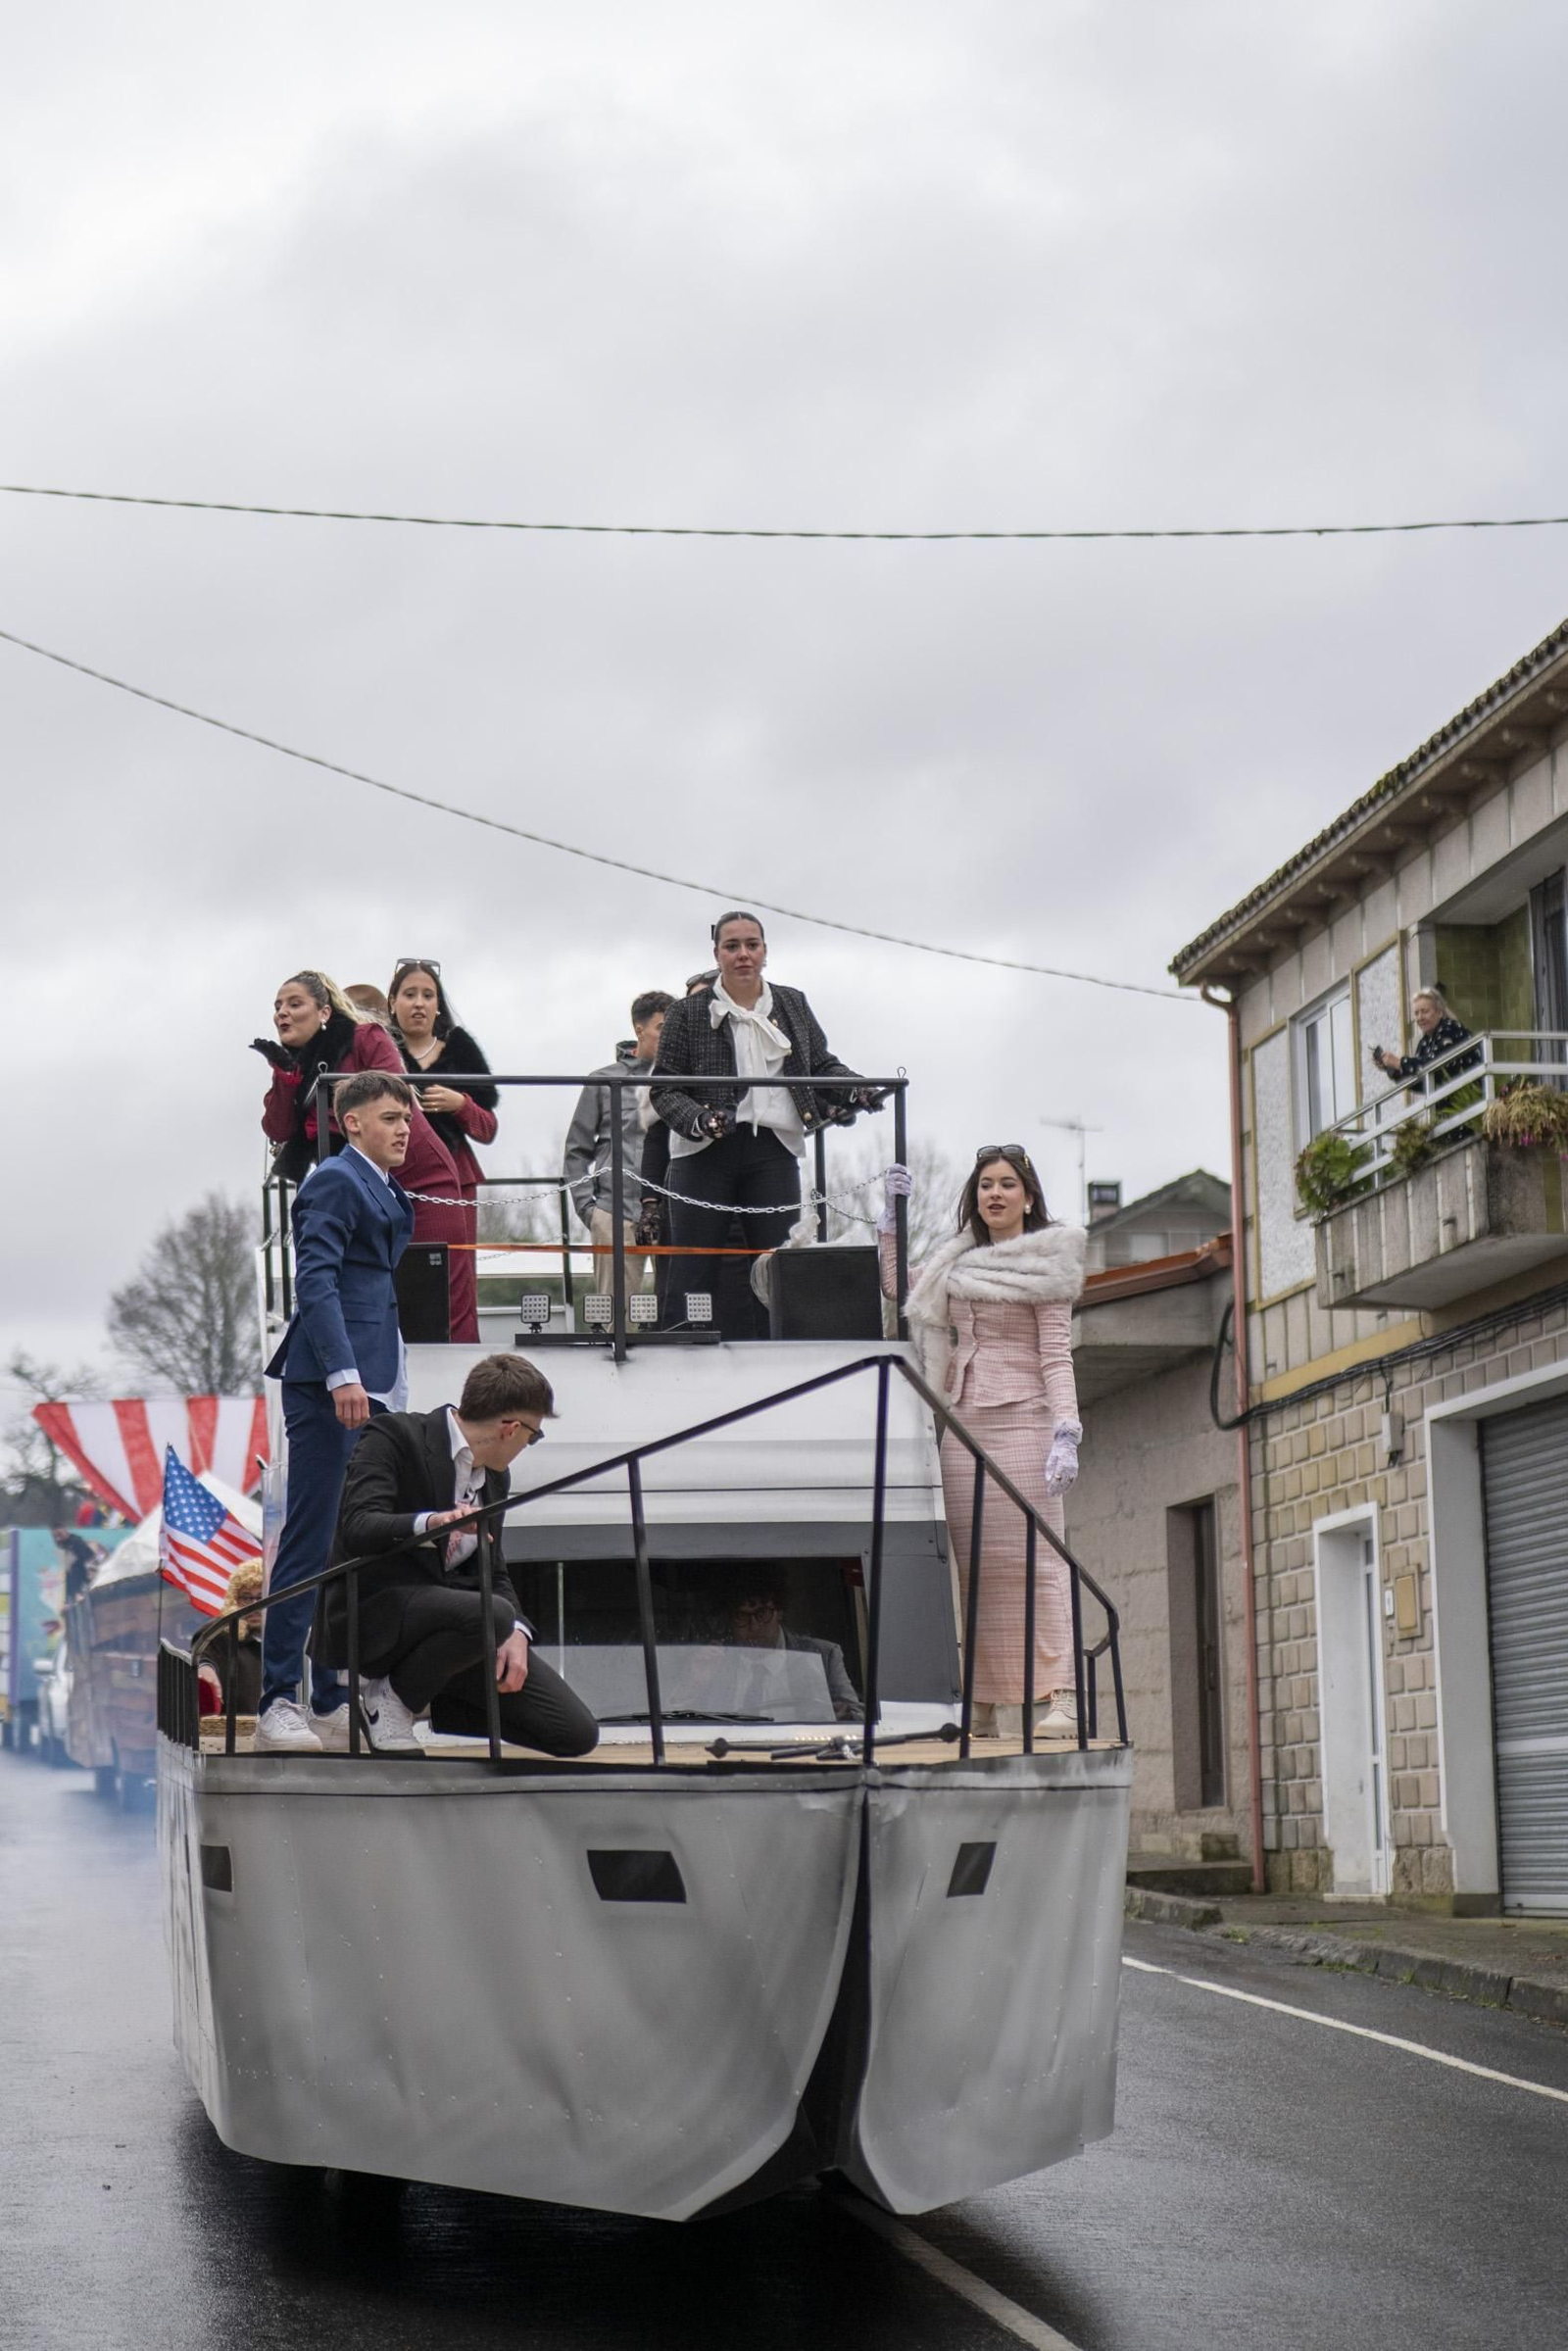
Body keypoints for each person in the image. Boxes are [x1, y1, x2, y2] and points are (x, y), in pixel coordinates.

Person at [880, 1147, 1086, 1739]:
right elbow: (900, 1288)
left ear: (1028, 1197)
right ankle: (984, 1700)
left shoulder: (1049, 1260)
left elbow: (1055, 1354)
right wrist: (890, 1220)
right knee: (975, 1567)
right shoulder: (956, 1258)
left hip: (1025, 1417)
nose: (995, 1195)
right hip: (965, 1423)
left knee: (1040, 1560)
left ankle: (1064, 1697)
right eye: (986, 1186)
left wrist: (1065, 1431)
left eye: (1008, 1185)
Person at [317, 1353, 598, 1757]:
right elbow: (357, 1526)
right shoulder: (394, 1434)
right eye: (533, 1436)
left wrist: (517, 1631)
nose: (527, 1445)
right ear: (510, 1429)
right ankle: (389, 1700)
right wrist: (433, 1524)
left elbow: (493, 1570)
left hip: (457, 1631)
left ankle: (420, 1694)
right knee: (492, 1613)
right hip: (376, 1614)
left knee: (574, 1733)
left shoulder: (495, 1477)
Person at [256, 1069, 416, 1753]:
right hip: (331, 1382)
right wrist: (344, 1374)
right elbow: (315, 1280)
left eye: (405, 1116)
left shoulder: (384, 1184)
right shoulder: (333, 1181)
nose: (403, 1127)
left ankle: (325, 1695)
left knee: (347, 1543)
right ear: (352, 1122)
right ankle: (274, 1701)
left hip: (373, 1380)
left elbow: (374, 1292)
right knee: (313, 1537)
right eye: (388, 1117)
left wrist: (390, 1383)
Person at [651, 915, 882, 1337]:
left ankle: (777, 1353)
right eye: (732, 946)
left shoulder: (792, 1002)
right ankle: (679, 1348)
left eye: (752, 945)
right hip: (704, 1152)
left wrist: (854, 1090)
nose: (743, 955)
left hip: (773, 1149)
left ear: (765, 951)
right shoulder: (686, 1013)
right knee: (692, 1263)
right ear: (716, 954)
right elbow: (664, 1088)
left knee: (775, 1261)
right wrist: (700, 1120)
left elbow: (820, 1065)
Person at [255, 968, 478, 1342]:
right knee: (374, 1305)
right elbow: (277, 1128)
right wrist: (285, 1075)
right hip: (363, 1193)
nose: (282, 1013)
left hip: (420, 1178)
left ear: (325, 1013)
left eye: (295, 1004)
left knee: (442, 1309)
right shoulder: (298, 1065)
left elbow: (393, 1094)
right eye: (277, 1006)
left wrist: (332, 1093)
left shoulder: (366, 1037)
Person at [387, 959, 499, 1336]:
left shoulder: (461, 1049)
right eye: (409, 994)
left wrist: (460, 1104)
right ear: (392, 1003)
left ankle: (462, 1362)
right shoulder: (378, 1050)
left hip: (455, 1180)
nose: (418, 1003)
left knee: (458, 1280)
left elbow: (488, 1127)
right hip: (394, 1181)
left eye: (428, 995)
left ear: (438, 1006)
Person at [563, 990, 674, 1306]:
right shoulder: (602, 1081)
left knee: (680, 1315)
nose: (668, 1038)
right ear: (639, 1030)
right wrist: (590, 1210)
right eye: (662, 1028)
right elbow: (576, 1150)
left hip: (675, 1216)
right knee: (616, 1321)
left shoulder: (686, 1080)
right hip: (616, 1215)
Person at [723, 1570, 861, 1721]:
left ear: (780, 1612)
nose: (754, 1627)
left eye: (762, 1614)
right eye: (741, 1616)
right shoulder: (717, 1661)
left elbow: (858, 1717)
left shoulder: (823, 1655)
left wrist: (842, 1715)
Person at [1371, 986, 1481, 1095]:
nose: (1420, 1017)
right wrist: (1392, 1069)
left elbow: (1437, 1064)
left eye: (1425, 1011)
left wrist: (1400, 1062)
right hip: (1449, 1104)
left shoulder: (1450, 1028)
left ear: (1440, 1012)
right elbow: (1419, 1081)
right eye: (1416, 1013)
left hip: (1471, 1098)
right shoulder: (1425, 1042)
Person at [196, 1558, 265, 1720]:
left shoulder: (286, 1637)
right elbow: (202, 1655)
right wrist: (205, 1668)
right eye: (246, 1598)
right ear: (235, 1599)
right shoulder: (218, 1632)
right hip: (232, 1729)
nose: (254, 1605)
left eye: (262, 1598)